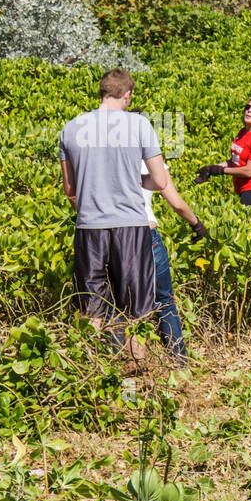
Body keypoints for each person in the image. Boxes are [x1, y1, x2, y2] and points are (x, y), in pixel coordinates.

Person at [59, 68, 169, 365]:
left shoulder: (71, 128)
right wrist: (135, 183)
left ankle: (89, 374)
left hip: (89, 226)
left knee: (91, 308)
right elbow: (159, 181)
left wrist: (90, 208)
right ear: (128, 94)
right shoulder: (139, 124)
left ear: (102, 92)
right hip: (130, 226)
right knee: (137, 309)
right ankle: (138, 376)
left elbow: (71, 189)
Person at [134, 112, 207, 365]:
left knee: (126, 304)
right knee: (164, 300)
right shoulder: (148, 157)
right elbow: (175, 202)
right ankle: (179, 362)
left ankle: (132, 364)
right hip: (145, 233)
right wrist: (196, 224)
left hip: (112, 234)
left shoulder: (106, 155)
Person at [195, 96, 251, 208]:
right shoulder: (242, 132)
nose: (249, 110)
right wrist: (211, 168)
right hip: (240, 189)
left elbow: (249, 171)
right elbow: (235, 160)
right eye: (247, 107)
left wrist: (221, 170)